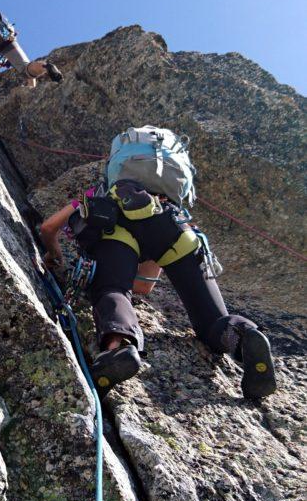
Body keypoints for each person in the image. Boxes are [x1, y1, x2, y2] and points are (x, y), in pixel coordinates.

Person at [39, 127, 277, 401]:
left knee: (111, 291)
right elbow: (147, 284)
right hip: (176, 228)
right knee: (212, 322)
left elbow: (48, 227)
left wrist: (54, 254)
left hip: (118, 228)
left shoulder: (99, 193)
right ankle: (244, 336)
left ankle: (120, 347)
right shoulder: (167, 199)